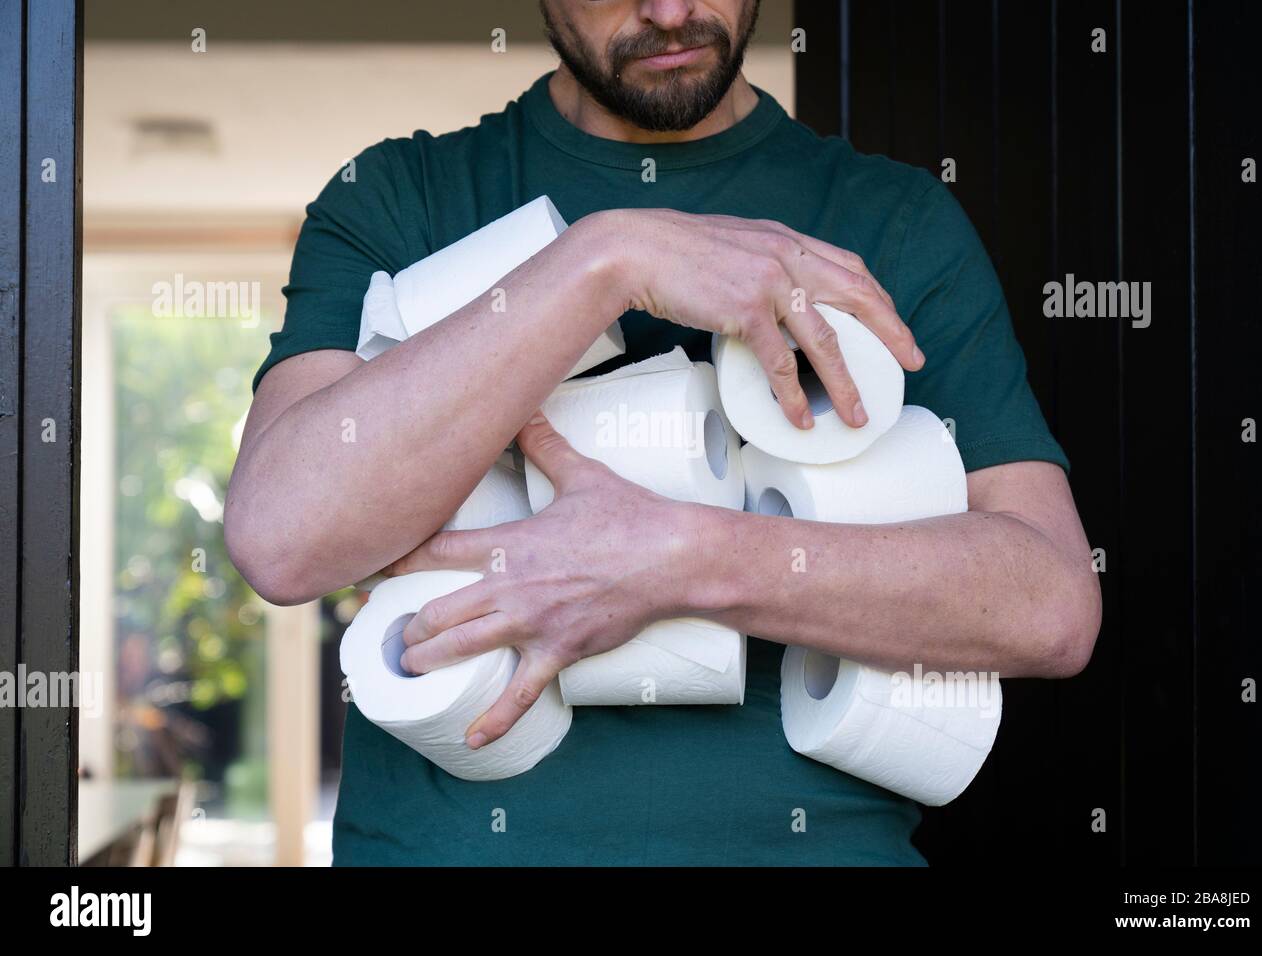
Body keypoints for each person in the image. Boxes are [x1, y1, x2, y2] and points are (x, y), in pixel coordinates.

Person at [225, 0, 1101, 865]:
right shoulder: (400, 197)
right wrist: (610, 260)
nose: (672, 10)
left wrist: (682, 559)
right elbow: (282, 541)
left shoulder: (890, 220)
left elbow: (1053, 604)